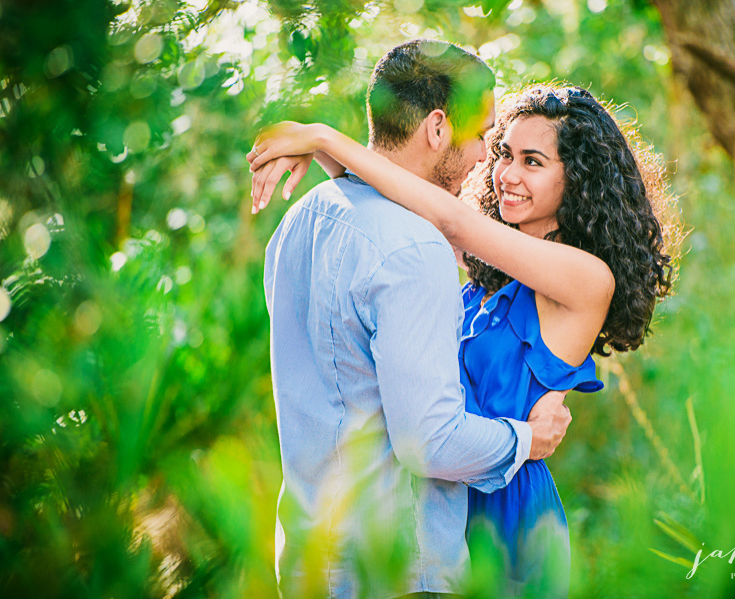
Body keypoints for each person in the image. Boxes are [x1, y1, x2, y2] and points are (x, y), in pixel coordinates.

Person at [250, 83, 679, 596]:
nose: (507, 175)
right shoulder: (494, 267)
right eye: (504, 153)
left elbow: (449, 218)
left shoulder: (587, 279)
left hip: (507, 513)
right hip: (448, 495)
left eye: (533, 162)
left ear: (579, 179)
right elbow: (395, 205)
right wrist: (325, 156)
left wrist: (324, 135)